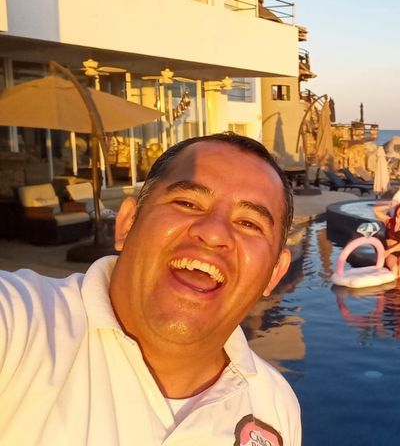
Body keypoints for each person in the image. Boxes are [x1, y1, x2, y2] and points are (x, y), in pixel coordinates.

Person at [0, 133, 301, 445]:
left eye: (249, 223)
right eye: (187, 203)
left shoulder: (275, 406)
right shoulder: (26, 330)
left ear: (275, 273)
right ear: (128, 223)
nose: (213, 233)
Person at [378, 202, 400, 278]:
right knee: (394, 268)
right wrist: (389, 205)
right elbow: (375, 211)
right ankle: (393, 289)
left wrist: (389, 251)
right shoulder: (388, 221)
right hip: (390, 252)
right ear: (397, 209)